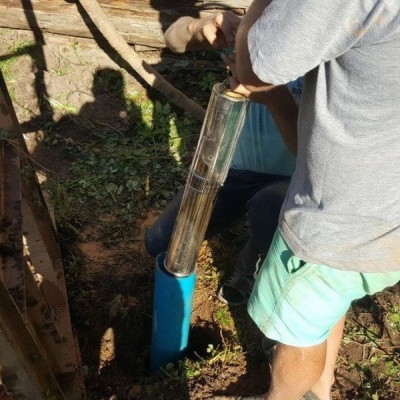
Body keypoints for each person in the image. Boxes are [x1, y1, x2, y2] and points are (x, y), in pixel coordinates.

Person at [210, 1, 400, 399]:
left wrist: (254, 19)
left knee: (297, 333)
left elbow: (256, 67)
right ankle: (320, 392)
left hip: (341, 216)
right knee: (326, 300)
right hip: (385, 206)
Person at [144, 11, 302, 306]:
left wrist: (272, 96)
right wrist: (199, 27)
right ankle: (242, 216)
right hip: (235, 171)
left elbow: (308, 149)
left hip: (296, 179)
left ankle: (254, 257)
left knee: (268, 208)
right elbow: (173, 38)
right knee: (160, 243)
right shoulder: (259, 27)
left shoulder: (332, 54)